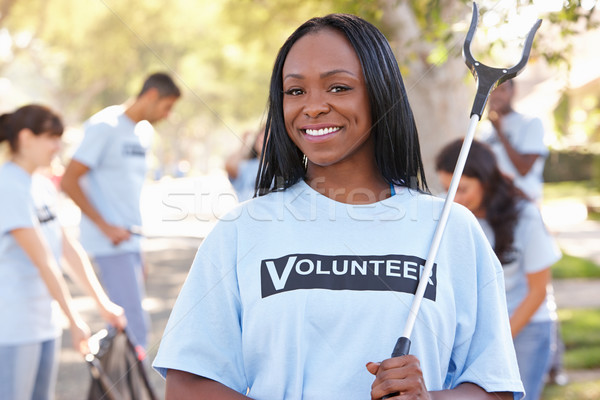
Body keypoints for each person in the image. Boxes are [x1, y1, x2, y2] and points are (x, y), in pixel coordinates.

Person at [153, 14, 523, 399]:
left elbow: (493, 386)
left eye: (338, 87)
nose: (313, 107)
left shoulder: (452, 228)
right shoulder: (241, 230)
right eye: (295, 91)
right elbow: (189, 384)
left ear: (380, 93)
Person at [0, 104, 126, 400]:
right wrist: (74, 318)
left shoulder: (42, 186)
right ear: (26, 137)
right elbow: (43, 260)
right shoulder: (7, 186)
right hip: (12, 324)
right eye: (51, 138)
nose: (58, 147)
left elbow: (67, 249)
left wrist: (103, 303)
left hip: (43, 322)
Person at [61, 72, 180, 350]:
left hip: (130, 241)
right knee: (132, 328)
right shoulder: (105, 126)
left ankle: (113, 389)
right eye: (167, 106)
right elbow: (69, 179)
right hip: (109, 242)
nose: (169, 114)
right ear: (151, 96)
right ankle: (129, 391)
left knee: (124, 329)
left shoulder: (145, 133)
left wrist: (140, 250)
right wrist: (105, 227)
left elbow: (127, 191)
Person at [436, 138, 562, 400]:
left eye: (463, 189)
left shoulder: (524, 215)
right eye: (448, 190)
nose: (454, 199)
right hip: (473, 331)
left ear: (485, 180)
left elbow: (538, 290)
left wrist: (497, 341)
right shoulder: (450, 216)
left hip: (525, 327)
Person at [477, 79, 549, 203]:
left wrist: (500, 133)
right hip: (494, 201)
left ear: (513, 91)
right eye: (493, 91)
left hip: (523, 200)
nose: (497, 95)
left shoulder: (530, 123)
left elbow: (523, 169)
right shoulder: (485, 129)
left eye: (503, 90)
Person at [225, 127, 265, 202]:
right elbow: (229, 165)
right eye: (262, 133)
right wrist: (244, 144)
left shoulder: (281, 169)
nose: (264, 137)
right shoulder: (247, 166)